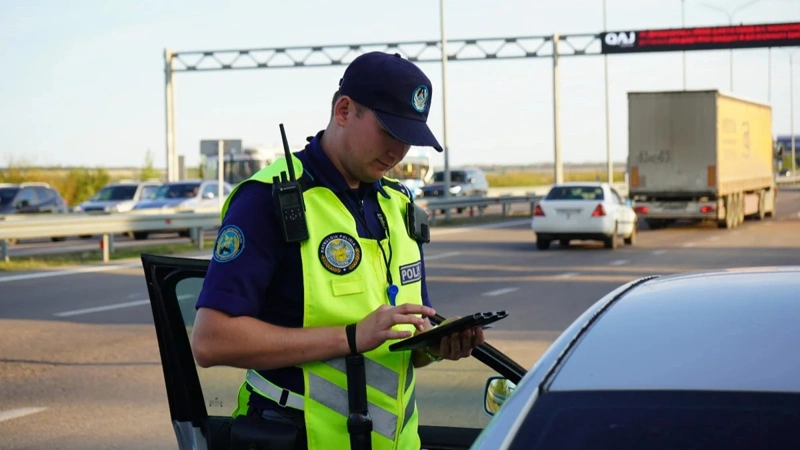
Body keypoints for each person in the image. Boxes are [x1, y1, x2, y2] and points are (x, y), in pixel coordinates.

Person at [191, 51, 485, 450]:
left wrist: (434, 347)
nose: (399, 152)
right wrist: (349, 337)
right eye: (390, 131)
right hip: (296, 439)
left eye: (410, 139)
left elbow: (398, 344)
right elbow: (211, 341)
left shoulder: (399, 208)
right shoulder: (268, 200)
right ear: (344, 110)